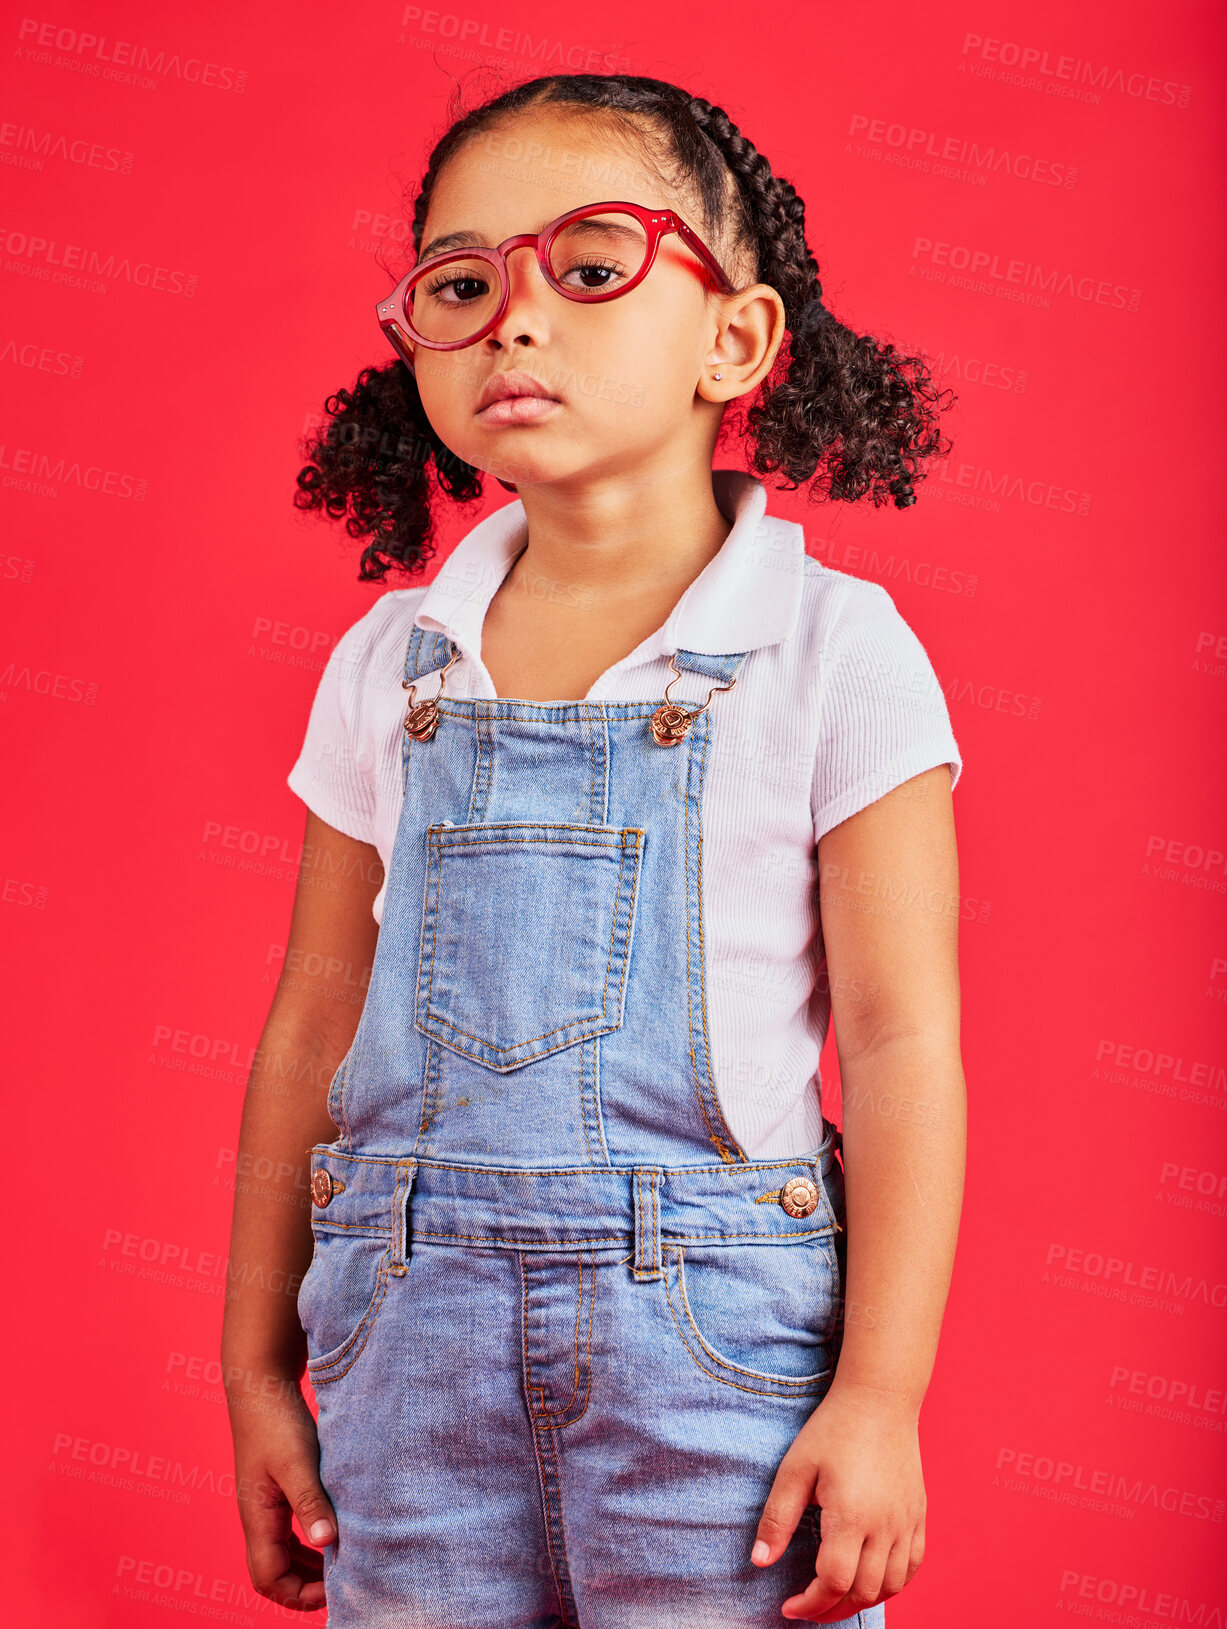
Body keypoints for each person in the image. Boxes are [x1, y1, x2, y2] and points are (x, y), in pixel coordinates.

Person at [221, 71, 967, 1629]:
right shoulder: (389, 662)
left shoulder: (833, 647)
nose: (516, 318)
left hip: (721, 1365)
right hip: (401, 1349)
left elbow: (903, 1041)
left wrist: (883, 1393)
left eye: (590, 265)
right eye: (463, 279)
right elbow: (310, 1020)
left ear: (736, 339)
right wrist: (251, 1359)